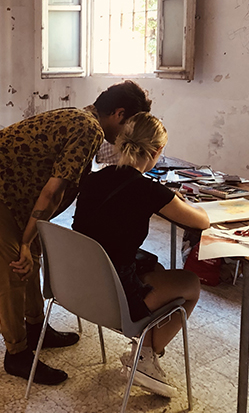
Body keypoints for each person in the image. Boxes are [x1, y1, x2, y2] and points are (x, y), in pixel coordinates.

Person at [0, 80, 152, 385]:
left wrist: (29, 241)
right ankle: (16, 354)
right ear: (119, 114)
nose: (128, 135)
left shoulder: (83, 117)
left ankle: (36, 329)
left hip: (6, 188)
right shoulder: (89, 129)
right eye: (131, 125)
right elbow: (52, 192)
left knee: (31, 255)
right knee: (14, 266)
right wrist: (23, 241)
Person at [72, 112, 210, 397]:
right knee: (190, 284)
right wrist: (183, 201)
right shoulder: (148, 190)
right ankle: (145, 358)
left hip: (79, 284)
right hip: (114, 296)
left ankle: (143, 351)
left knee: (155, 268)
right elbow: (201, 222)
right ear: (157, 151)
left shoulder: (94, 178)